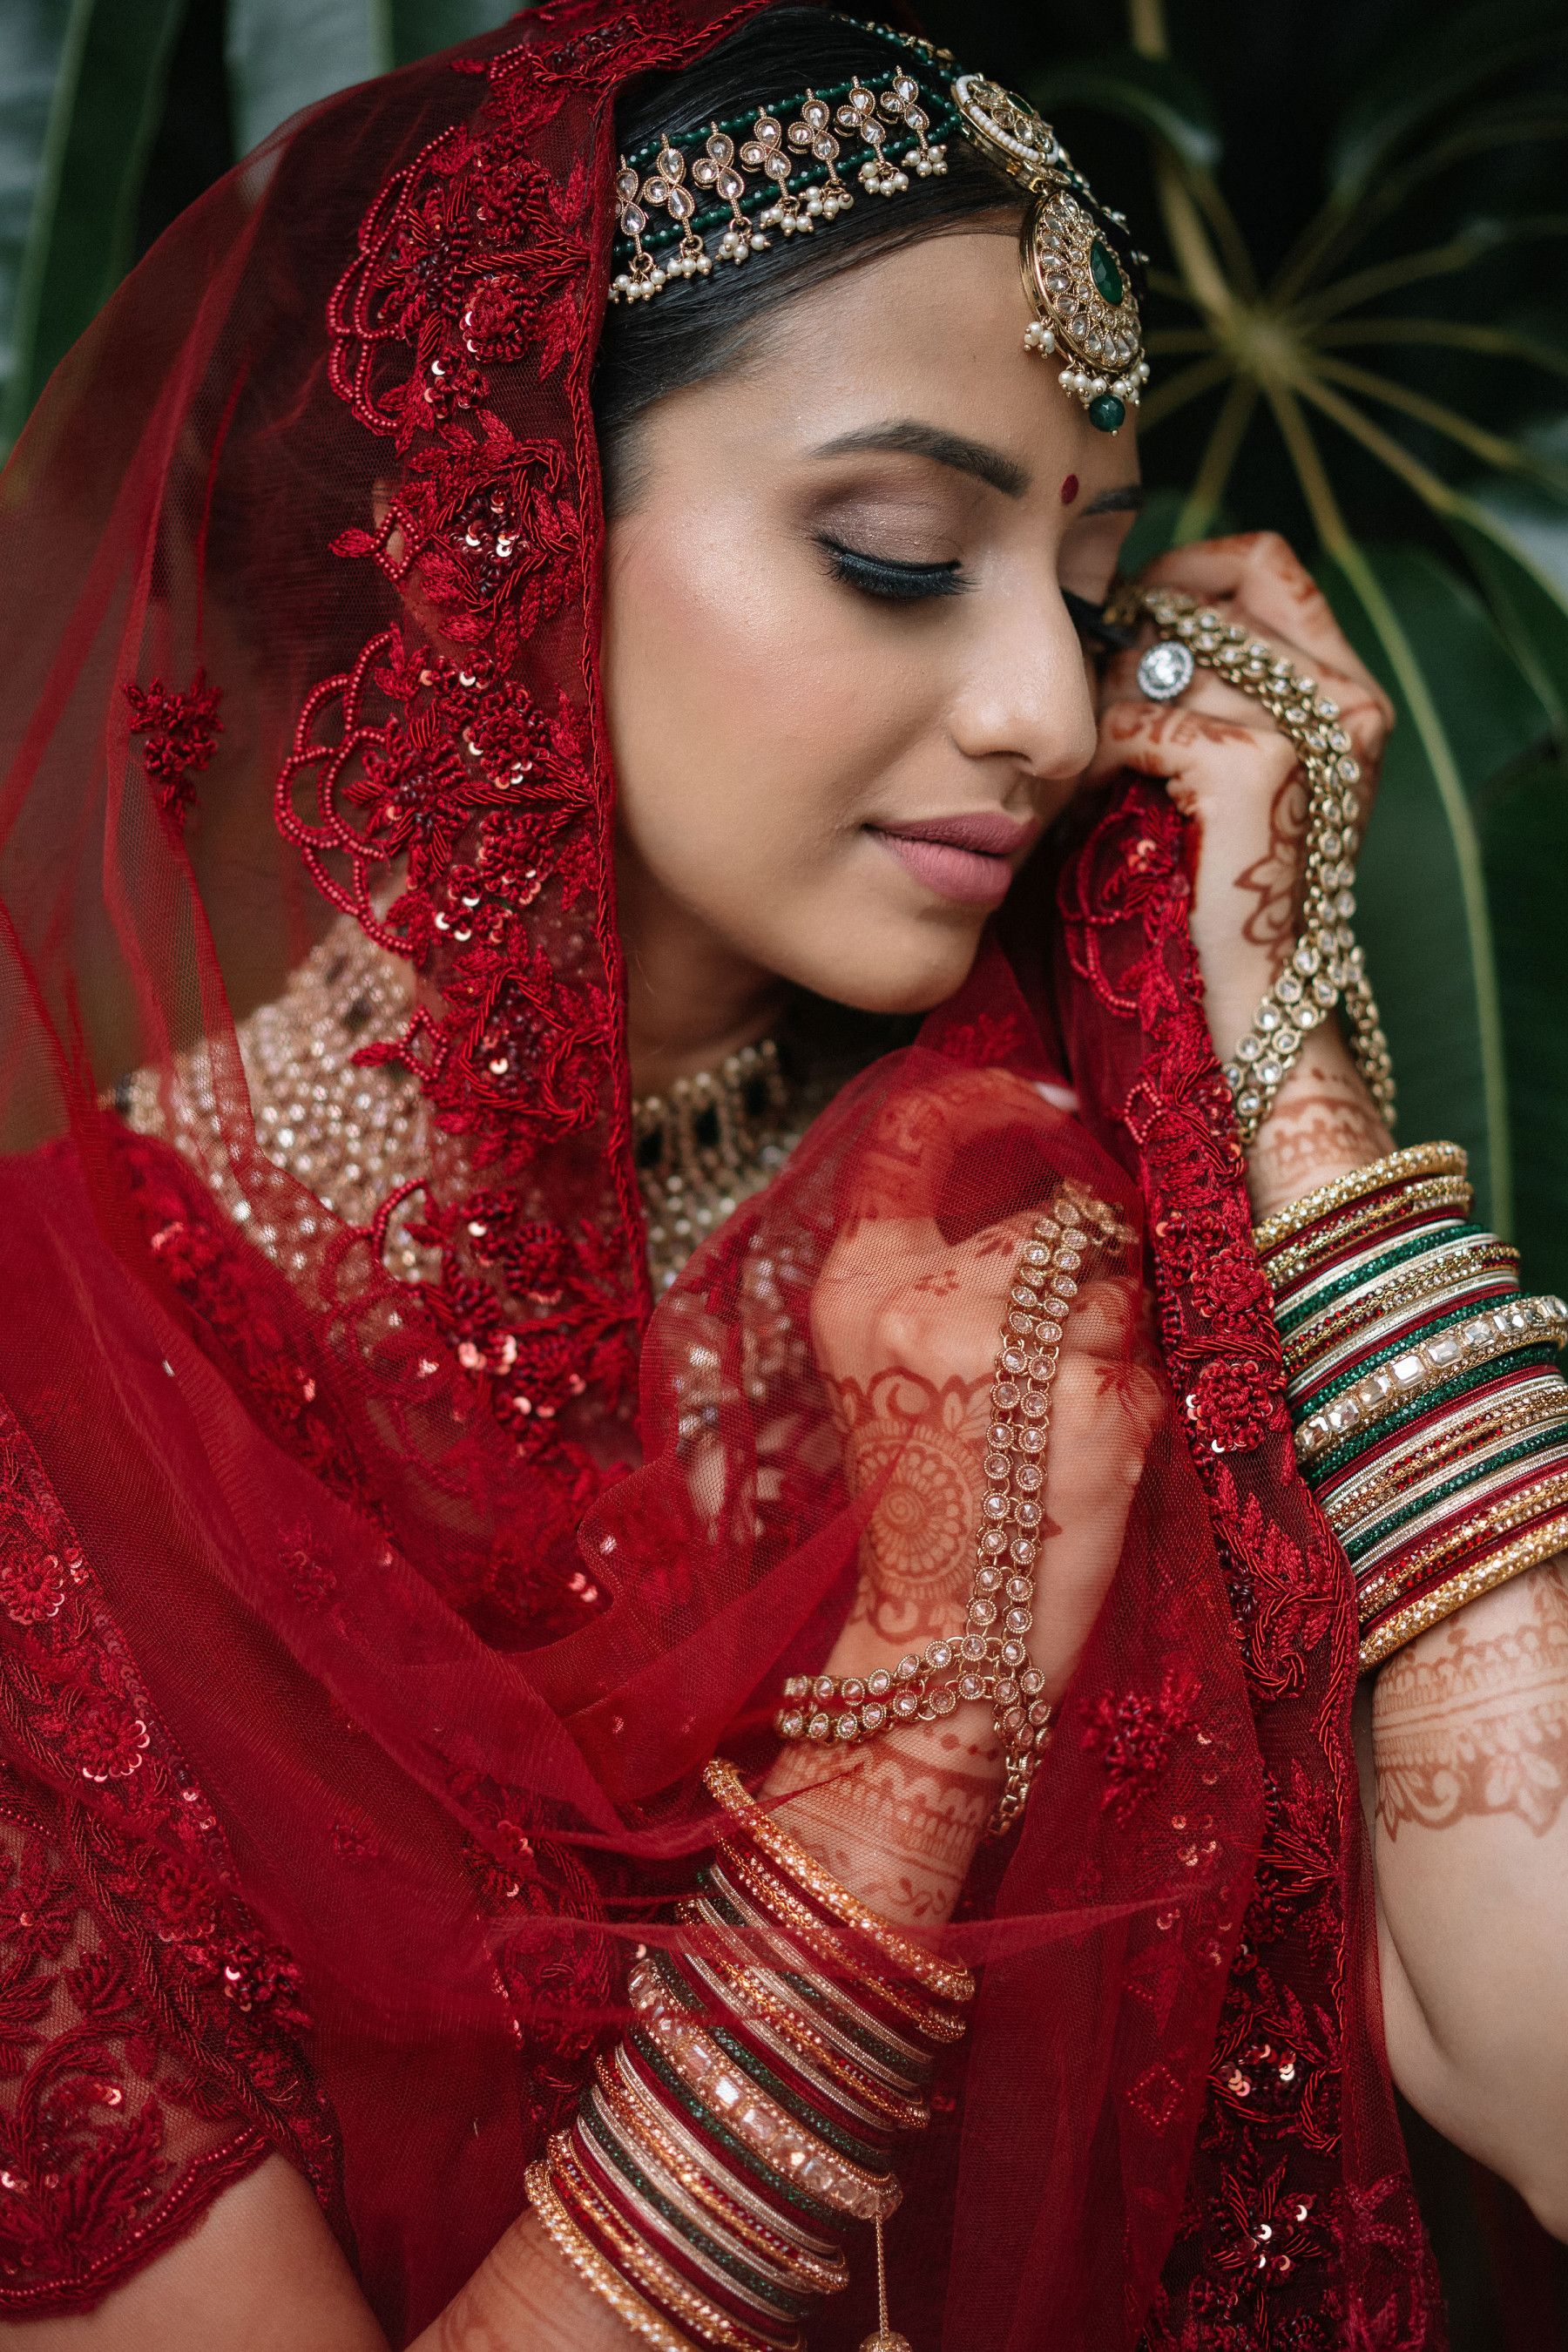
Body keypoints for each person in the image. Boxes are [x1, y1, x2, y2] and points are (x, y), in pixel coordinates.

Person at [0, 3, 1562, 2346]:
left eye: (1085, 566)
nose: (1049, 700)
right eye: (899, 549)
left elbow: (1540, 2054)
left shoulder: (1057, 1144)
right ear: (491, 524)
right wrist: (926, 1725)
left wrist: (1286, 1035)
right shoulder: (54, 1387)